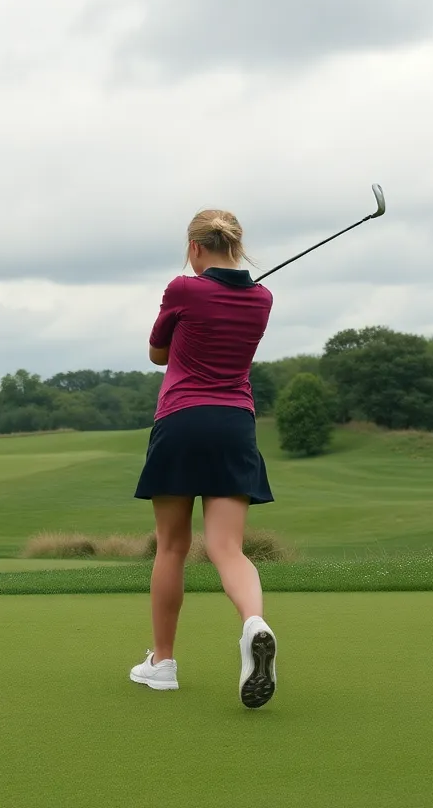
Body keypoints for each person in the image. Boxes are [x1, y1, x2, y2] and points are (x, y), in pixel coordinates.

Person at [128, 209, 279, 709]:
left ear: (195, 247)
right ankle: (254, 624)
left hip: (182, 420)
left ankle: (163, 663)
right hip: (235, 424)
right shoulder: (262, 298)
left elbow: (157, 353)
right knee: (228, 548)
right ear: (237, 246)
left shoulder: (183, 289)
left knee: (172, 546)